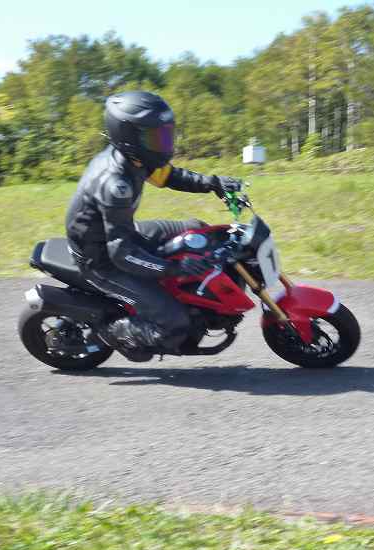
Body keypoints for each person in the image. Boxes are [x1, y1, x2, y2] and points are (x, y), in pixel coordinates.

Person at [65, 90, 242, 361]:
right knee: (174, 324)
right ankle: (113, 331)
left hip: (121, 234)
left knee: (197, 229)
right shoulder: (116, 184)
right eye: (156, 137)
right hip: (101, 259)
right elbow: (121, 254)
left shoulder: (136, 158)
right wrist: (173, 268)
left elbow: (170, 176)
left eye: (166, 134)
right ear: (129, 136)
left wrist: (212, 183)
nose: (164, 143)